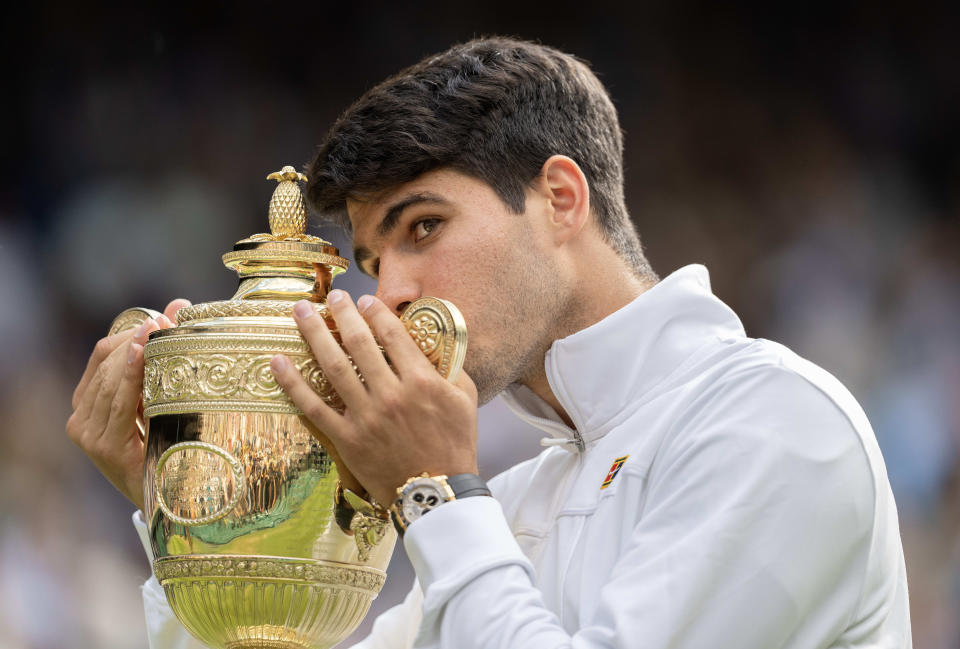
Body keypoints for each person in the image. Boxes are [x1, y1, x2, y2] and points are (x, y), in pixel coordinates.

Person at [67, 37, 911, 648]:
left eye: (423, 226)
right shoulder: (510, 501)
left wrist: (433, 492)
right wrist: (195, 527)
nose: (386, 291)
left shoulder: (776, 421)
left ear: (560, 200)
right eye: (370, 259)